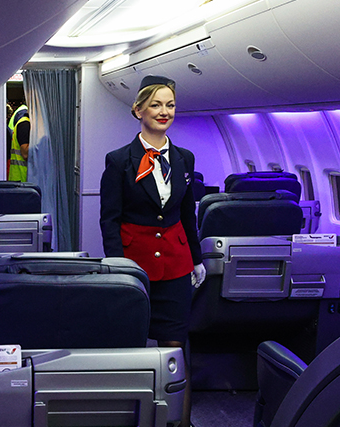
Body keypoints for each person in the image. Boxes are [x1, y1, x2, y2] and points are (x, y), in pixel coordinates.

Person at [99, 75, 206, 425]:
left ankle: (179, 422)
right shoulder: (119, 160)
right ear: (138, 110)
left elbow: (187, 214)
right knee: (131, 348)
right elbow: (110, 220)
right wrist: (117, 266)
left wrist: (196, 259)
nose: (164, 112)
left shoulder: (184, 158)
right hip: (135, 266)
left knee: (176, 350)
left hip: (176, 266)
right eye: (156, 105)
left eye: (170, 105)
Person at [7, 103, 30, 182]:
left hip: (20, 178)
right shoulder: (25, 124)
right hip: (22, 179)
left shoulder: (24, 121)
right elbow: (25, 153)